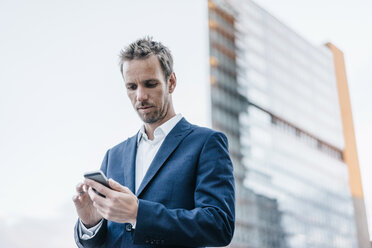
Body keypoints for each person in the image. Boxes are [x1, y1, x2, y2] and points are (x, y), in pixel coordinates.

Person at [72, 37, 235, 248]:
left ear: (171, 82)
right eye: (131, 86)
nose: (140, 96)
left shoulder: (206, 143)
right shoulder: (114, 156)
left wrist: (138, 213)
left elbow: (219, 226)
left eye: (150, 84)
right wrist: (90, 223)